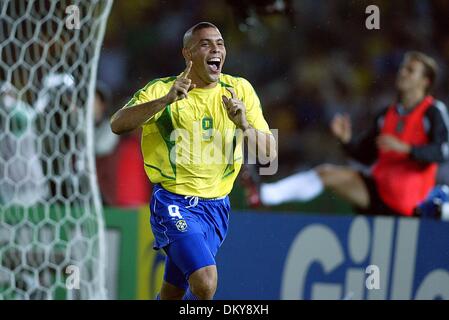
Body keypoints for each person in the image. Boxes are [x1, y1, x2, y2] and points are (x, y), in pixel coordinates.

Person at [110, 22, 276, 300]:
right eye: (205, 44)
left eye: (220, 43)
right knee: (205, 282)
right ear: (187, 54)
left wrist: (244, 125)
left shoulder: (239, 90)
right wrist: (164, 101)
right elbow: (117, 124)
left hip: (217, 208)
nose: (216, 49)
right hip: (173, 203)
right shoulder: (163, 89)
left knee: (172, 293)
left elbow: (270, 153)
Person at [246, 51, 449, 218]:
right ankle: (265, 194)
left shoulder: (432, 112)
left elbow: (442, 152)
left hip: (410, 204)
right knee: (326, 173)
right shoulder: (386, 114)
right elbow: (366, 155)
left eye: (410, 70)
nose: (402, 73)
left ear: (425, 81)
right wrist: (346, 141)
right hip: (377, 192)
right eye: (403, 68)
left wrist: (406, 149)